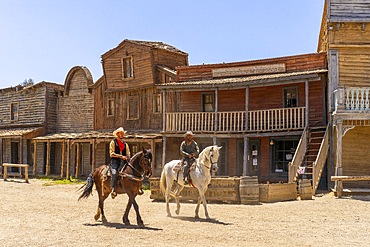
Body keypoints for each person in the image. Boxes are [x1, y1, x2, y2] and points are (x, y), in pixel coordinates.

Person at [109, 127, 130, 199]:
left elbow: (128, 154)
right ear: (117, 134)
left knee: (131, 172)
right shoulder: (113, 142)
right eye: (120, 133)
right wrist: (121, 156)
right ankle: (113, 189)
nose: (122, 134)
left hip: (124, 162)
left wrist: (127, 157)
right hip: (115, 161)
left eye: (122, 133)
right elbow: (111, 154)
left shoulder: (125, 144)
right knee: (114, 173)